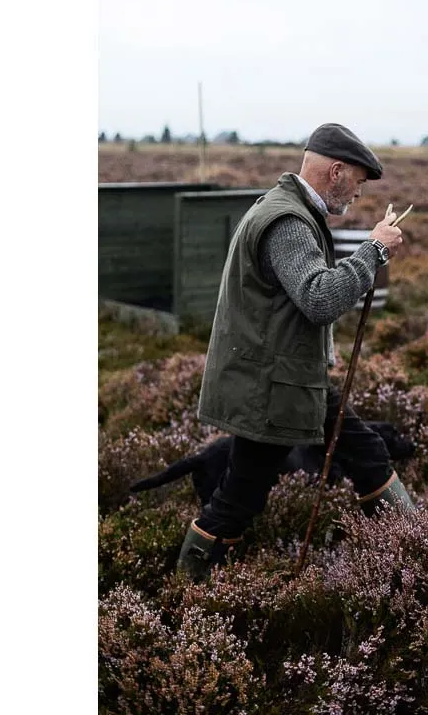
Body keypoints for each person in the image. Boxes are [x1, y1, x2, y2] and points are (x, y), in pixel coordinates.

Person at [177, 123, 414, 580]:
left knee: (366, 453)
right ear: (337, 171)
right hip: (270, 387)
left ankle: (414, 548)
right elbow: (319, 298)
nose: (359, 196)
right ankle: (187, 586)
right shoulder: (288, 222)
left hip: (286, 380)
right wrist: (373, 252)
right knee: (239, 496)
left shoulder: (289, 211)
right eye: (360, 183)